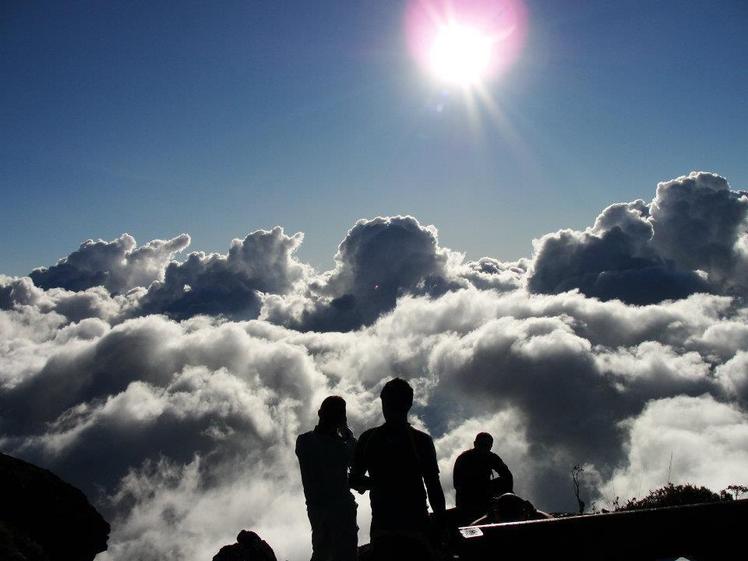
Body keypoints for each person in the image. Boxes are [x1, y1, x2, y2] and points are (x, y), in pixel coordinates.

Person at [349, 378, 446, 561]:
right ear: (409, 404)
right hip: (411, 526)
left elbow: (354, 480)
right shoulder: (421, 440)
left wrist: (378, 482)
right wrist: (441, 524)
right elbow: (433, 487)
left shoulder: (370, 438)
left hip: (386, 527)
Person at [296, 396, 358, 561]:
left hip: (318, 511)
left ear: (320, 413)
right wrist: (347, 435)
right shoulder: (340, 446)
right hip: (340, 512)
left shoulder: (303, 441)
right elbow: (356, 459)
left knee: (321, 552)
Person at [453, 432, 514, 524]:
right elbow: (458, 484)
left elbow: (507, 476)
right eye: (482, 444)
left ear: (490, 446)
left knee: (505, 487)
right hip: (467, 497)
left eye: (487, 445)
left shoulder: (492, 457)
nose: (484, 448)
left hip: (486, 494)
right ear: (475, 444)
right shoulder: (464, 458)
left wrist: (506, 496)